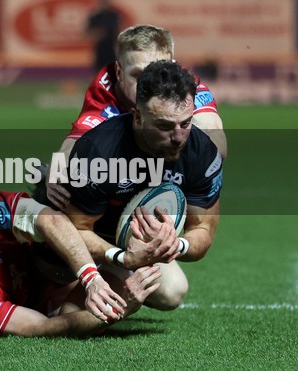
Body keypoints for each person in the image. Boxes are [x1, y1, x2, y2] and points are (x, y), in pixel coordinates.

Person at [59, 60, 223, 311]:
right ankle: (64, 287)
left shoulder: (202, 153)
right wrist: (122, 258)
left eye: (186, 123)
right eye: (165, 126)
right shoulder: (99, 152)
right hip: (89, 242)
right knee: (67, 310)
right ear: (137, 116)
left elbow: (203, 229)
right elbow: (76, 230)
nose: (179, 137)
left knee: (172, 292)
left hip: (136, 246)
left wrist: (175, 245)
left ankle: (114, 282)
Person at [0, 191, 161, 337]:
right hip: (45, 299)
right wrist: (123, 307)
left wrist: (91, 278)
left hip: (62, 265)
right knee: (73, 319)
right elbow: (43, 327)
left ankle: (127, 250)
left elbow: (51, 221)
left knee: (171, 290)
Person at [44, 24, 227, 210]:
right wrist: (58, 165)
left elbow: (217, 145)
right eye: (137, 75)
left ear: (172, 66)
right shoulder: (105, 90)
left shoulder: (183, 86)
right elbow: (77, 138)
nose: (147, 84)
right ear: (119, 72)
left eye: (157, 72)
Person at [85, 0, 121, 71]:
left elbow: (119, 30)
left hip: (111, 49)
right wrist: (97, 34)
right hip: (100, 51)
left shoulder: (113, 15)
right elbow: (86, 33)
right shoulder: (95, 17)